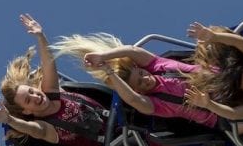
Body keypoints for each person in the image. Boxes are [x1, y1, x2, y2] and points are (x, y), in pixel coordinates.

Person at [0, 14, 110, 146]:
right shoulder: (46, 126)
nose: (35, 96)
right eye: (28, 100)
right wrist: (10, 120)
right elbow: (33, 130)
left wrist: (40, 36)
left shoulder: (52, 93)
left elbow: (48, 63)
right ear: (26, 111)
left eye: (31, 91)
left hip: (122, 120)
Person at [50, 34, 217, 128]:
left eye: (142, 74)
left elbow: (132, 51)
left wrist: (103, 57)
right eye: (139, 83)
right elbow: (131, 99)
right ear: (138, 90)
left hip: (221, 80)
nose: (145, 79)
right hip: (219, 113)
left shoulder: (159, 65)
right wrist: (109, 71)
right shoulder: (156, 103)